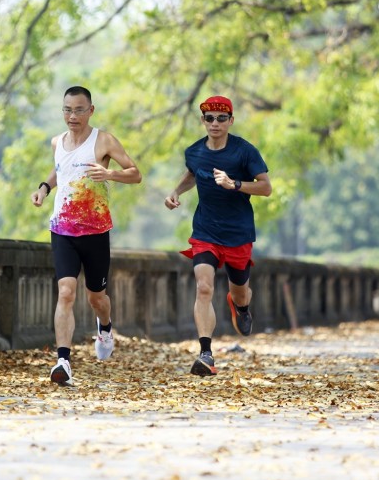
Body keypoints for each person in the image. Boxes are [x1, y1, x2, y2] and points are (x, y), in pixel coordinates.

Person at [31, 86, 142, 385]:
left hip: (95, 232)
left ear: (91, 110)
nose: (73, 115)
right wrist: (43, 188)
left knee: (97, 298)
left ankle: (105, 327)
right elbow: (59, 170)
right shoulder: (57, 142)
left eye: (80, 109)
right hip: (62, 230)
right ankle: (63, 361)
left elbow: (135, 172)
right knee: (66, 291)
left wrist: (110, 175)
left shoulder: (103, 140)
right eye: (68, 109)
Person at [164, 95, 272, 376]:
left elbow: (266, 187)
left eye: (221, 118)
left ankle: (242, 306)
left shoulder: (245, 152)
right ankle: (206, 354)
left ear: (230, 121)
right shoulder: (194, 151)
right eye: (209, 118)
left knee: (240, 292)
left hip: (238, 234)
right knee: (203, 287)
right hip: (205, 231)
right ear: (203, 121)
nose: (215, 123)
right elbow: (192, 174)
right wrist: (176, 191)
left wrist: (234, 184)